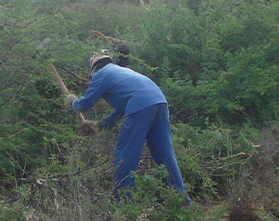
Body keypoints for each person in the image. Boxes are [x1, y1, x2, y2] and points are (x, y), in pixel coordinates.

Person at [65, 49, 190, 203]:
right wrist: (101, 125)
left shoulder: (101, 74)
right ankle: (181, 200)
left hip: (140, 105)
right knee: (165, 154)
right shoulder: (123, 72)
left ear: (95, 69)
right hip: (159, 102)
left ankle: (122, 204)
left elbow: (86, 103)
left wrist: (72, 103)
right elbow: (121, 110)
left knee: (126, 155)